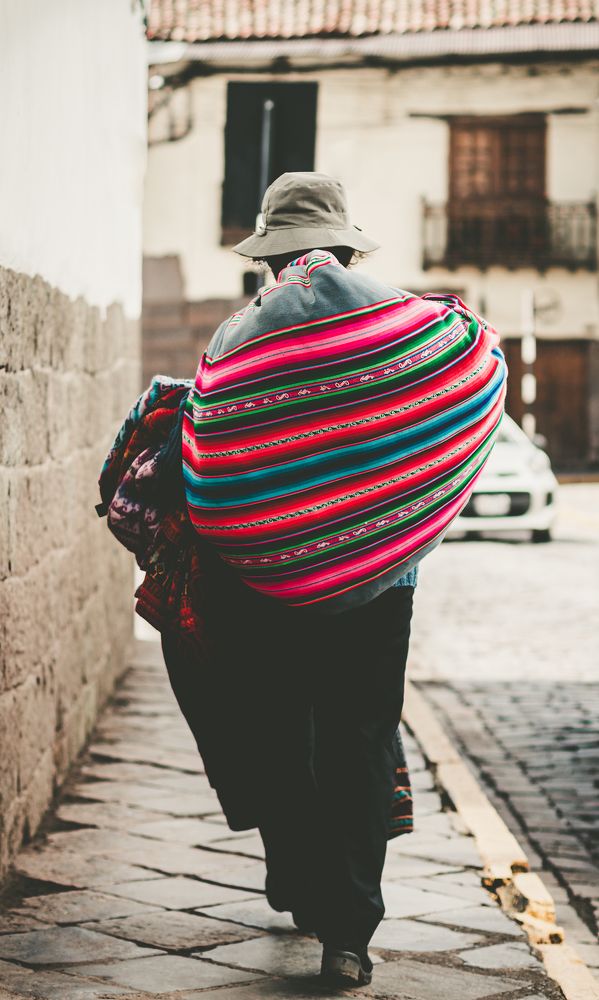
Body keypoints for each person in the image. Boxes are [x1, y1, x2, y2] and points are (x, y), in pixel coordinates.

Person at [150, 172, 505, 989]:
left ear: (268, 256)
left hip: (263, 582)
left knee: (277, 733)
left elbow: (207, 447)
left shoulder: (240, 337)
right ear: (347, 247)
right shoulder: (405, 320)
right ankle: (348, 930)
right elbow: (473, 370)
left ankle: (299, 881)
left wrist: (275, 534)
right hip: (383, 587)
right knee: (359, 742)